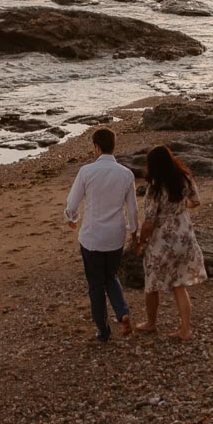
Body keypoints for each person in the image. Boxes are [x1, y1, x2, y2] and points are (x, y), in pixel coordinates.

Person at [64, 127, 138, 342]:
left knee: (96, 285)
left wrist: (72, 217)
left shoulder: (87, 172)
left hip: (92, 237)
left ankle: (103, 331)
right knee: (111, 276)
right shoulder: (126, 174)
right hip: (115, 236)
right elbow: (132, 209)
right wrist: (134, 232)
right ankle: (122, 312)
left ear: (96, 147)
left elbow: (72, 202)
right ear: (114, 146)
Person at [135, 145, 206, 340]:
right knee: (178, 284)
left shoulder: (156, 187)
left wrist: (141, 241)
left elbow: (149, 221)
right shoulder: (184, 178)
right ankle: (185, 329)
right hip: (184, 235)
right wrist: (181, 207)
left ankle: (150, 323)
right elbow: (196, 201)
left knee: (152, 283)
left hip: (163, 240)